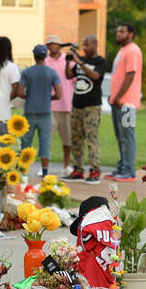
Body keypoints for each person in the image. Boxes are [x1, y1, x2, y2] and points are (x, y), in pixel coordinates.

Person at [65, 35, 107, 184]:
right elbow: (69, 76)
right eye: (83, 45)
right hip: (77, 105)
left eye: (87, 45)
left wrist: (80, 63)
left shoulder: (100, 61)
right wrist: (68, 62)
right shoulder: (81, 61)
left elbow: (95, 76)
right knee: (76, 138)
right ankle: (78, 170)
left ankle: (95, 170)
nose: (84, 48)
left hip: (92, 106)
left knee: (91, 138)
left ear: (95, 44)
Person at [20, 44, 62, 177]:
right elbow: (59, 94)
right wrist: (49, 97)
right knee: (44, 142)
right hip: (45, 112)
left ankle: (23, 171)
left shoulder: (27, 72)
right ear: (46, 55)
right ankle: (45, 172)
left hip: (30, 111)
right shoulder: (51, 72)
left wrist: (30, 96)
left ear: (34, 55)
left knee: (26, 142)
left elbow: (20, 92)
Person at [108, 23, 143, 181]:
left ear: (131, 34)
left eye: (122, 31)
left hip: (126, 103)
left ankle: (129, 171)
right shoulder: (123, 50)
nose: (118, 34)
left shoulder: (133, 50)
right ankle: (122, 167)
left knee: (128, 136)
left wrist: (119, 97)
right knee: (120, 136)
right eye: (117, 31)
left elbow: (130, 75)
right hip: (117, 102)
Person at [43, 35, 74, 175]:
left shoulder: (69, 60)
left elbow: (74, 79)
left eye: (55, 44)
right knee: (46, 139)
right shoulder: (44, 61)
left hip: (66, 105)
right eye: (49, 44)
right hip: (49, 106)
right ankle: (45, 168)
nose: (52, 46)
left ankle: (66, 166)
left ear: (60, 46)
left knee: (67, 139)